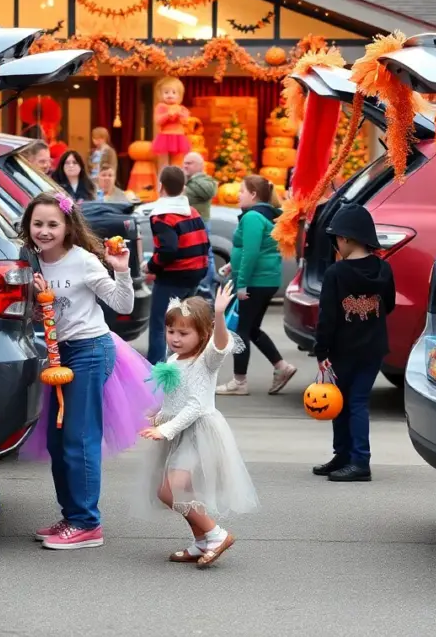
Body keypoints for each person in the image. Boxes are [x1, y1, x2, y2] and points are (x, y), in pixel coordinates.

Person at [18, 191, 156, 549]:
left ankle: (87, 523)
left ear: (68, 227)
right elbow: (41, 313)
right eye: (38, 224)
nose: (45, 231)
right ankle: (71, 516)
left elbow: (122, 304)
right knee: (57, 440)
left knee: (79, 439)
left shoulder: (83, 261)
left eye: (53, 224)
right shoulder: (30, 262)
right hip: (56, 356)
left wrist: (122, 269)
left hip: (89, 351)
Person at [136, 282, 259, 568]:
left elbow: (196, 403)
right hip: (179, 433)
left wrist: (218, 314)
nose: (175, 338)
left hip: (199, 434)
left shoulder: (205, 361)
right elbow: (176, 401)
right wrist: (157, 418)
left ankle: (216, 534)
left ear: (201, 334)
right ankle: (201, 541)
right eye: (171, 332)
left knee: (169, 491)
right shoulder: (175, 359)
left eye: (183, 333)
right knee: (183, 492)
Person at [312, 204, 395, 482]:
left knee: (343, 402)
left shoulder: (337, 273)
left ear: (346, 238)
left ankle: (357, 461)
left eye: (336, 239)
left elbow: (328, 316)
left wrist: (321, 349)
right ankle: (348, 457)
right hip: (373, 349)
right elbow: (390, 305)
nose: (336, 245)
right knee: (356, 401)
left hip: (342, 349)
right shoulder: (383, 269)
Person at [217, 175, 298, 396]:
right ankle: (282, 367)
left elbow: (251, 253)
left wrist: (241, 284)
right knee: (251, 328)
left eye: (242, 191)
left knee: (240, 330)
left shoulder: (252, 217)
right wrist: (232, 267)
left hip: (255, 282)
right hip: (265, 279)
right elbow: (257, 251)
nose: (237, 195)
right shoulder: (265, 215)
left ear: (253, 194)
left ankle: (239, 381)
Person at [145, 165, 210, 364]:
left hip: (173, 277)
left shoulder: (162, 216)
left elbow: (168, 249)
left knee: (160, 324)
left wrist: (151, 266)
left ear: (161, 186)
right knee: (187, 324)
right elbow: (205, 242)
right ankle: (189, 364)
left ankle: (156, 370)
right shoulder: (192, 212)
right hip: (195, 273)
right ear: (183, 188)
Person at [182, 151, 218, 299]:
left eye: (189, 163)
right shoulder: (187, 181)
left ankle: (206, 285)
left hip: (200, 222)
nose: (185, 166)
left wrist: (188, 182)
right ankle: (198, 286)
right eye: (184, 163)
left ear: (200, 166)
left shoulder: (205, 181)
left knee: (205, 255)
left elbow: (208, 192)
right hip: (188, 222)